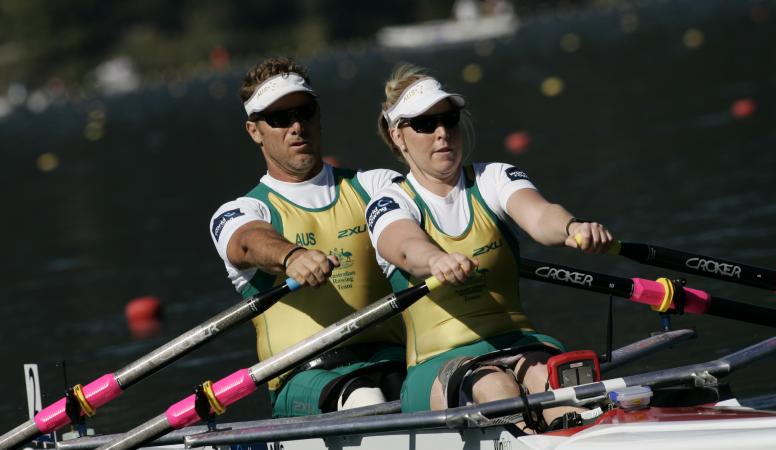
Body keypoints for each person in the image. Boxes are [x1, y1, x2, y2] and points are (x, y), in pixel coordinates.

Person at [366, 64, 614, 432]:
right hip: (436, 366)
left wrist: (571, 227)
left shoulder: (493, 178)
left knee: (558, 382)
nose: (441, 133)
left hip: (523, 344)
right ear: (397, 136)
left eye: (448, 119)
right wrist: (435, 259)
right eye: (424, 124)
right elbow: (403, 246)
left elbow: (539, 215)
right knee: (495, 386)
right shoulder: (388, 202)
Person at [209, 57, 405, 418]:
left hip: (394, 360)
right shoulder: (241, 212)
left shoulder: (373, 185)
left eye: (305, 112)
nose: (296, 126)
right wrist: (291, 256)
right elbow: (248, 241)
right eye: (280, 119)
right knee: (365, 399)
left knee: (453, 384)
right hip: (304, 378)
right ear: (254, 131)